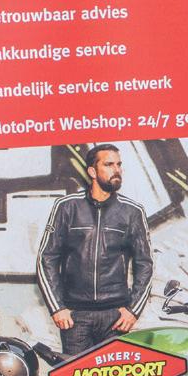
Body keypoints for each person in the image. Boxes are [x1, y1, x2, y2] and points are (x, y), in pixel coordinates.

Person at [36, 143, 154, 357]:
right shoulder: (67, 207)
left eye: (119, 164)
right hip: (75, 318)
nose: (117, 170)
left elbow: (145, 264)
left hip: (116, 317)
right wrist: (57, 307)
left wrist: (133, 311)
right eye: (109, 165)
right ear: (92, 171)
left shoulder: (132, 212)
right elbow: (47, 258)